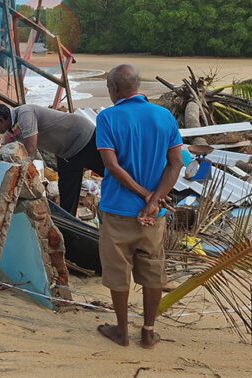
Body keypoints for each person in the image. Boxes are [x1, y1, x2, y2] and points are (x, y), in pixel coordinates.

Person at [95, 64, 183, 349]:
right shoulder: (164, 116)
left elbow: (111, 166)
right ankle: (147, 331)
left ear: (115, 89)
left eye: (109, 88)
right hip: (153, 216)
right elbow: (176, 163)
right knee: (152, 270)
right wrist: (155, 199)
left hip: (118, 209)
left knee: (117, 272)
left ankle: (122, 332)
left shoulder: (108, 118)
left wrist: (144, 194)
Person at [0, 102, 103, 216]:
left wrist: (19, 176)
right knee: (67, 193)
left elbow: (31, 150)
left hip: (84, 137)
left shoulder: (25, 113)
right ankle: (69, 227)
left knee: (109, 172)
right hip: (66, 153)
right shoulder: (11, 130)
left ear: (1, 120)